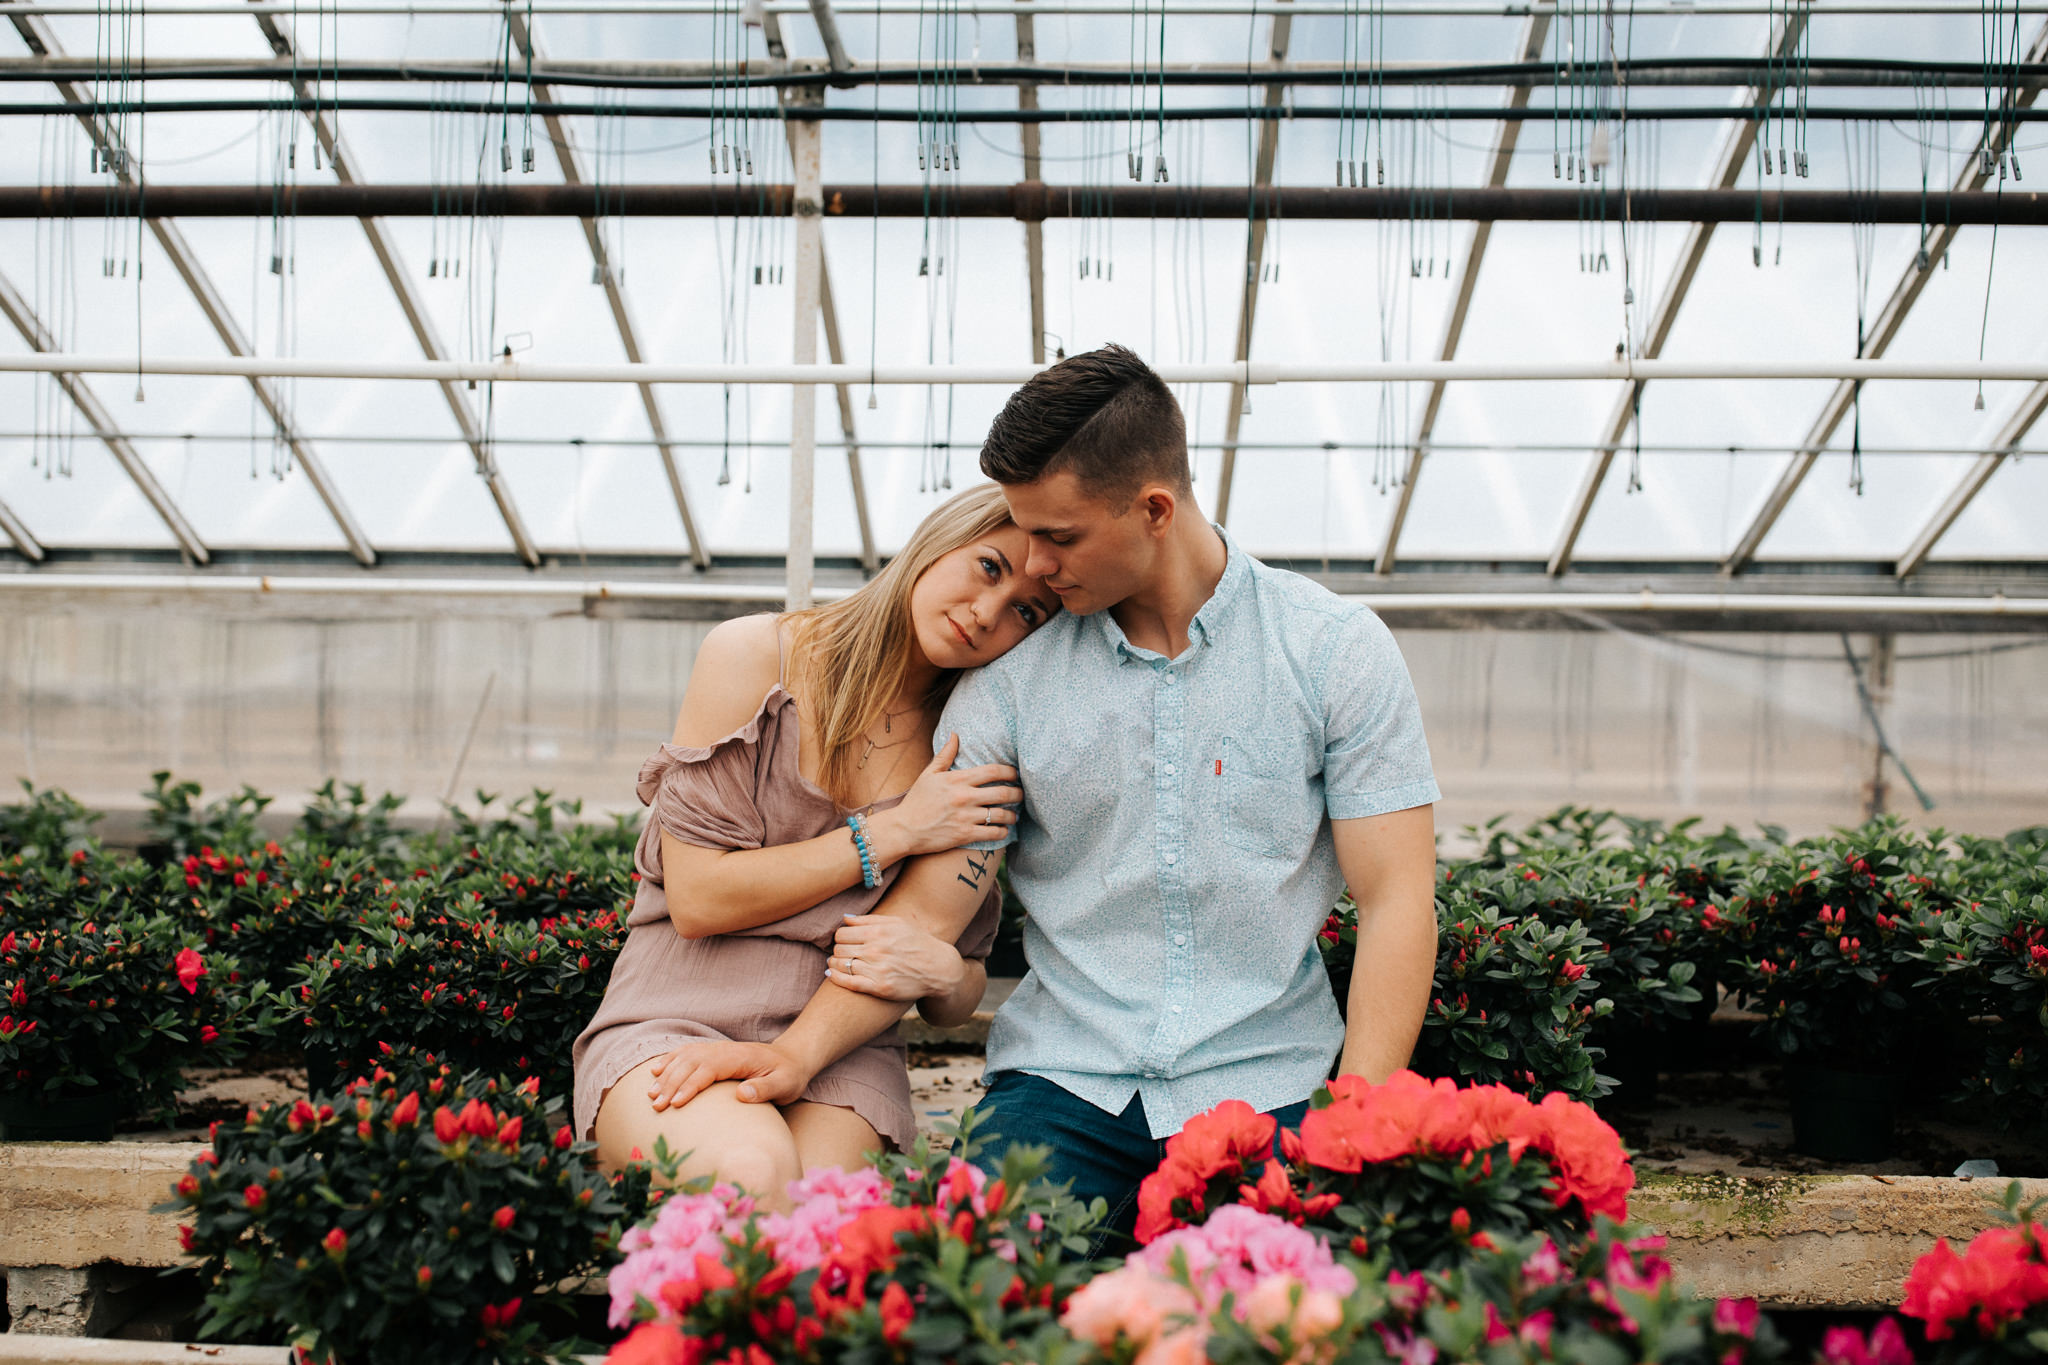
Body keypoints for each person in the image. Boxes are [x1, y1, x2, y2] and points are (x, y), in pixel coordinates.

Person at [651, 344, 1440, 1242]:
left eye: (1058, 537)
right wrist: (795, 1057)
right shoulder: (1011, 685)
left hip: (1273, 1082)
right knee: (980, 1283)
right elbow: (927, 915)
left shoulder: (1334, 651)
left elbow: (1396, 898)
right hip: (1061, 1088)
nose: (1033, 562)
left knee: (1295, 1311)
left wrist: (1356, 1116)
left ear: (1154, 510)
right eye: (1021, 533)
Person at [570, 485, 1059, 1210]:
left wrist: (948, 973)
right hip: (674, 1017)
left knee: (827, 1221)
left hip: (842, 1049)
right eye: (989, 567)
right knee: (750, 1171)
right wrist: (893, 831)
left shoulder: (977, 742)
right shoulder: (754, 654)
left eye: (1027, 611)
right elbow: (700, 898)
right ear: (938, 541)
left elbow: (955, 988)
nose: (989, 613)